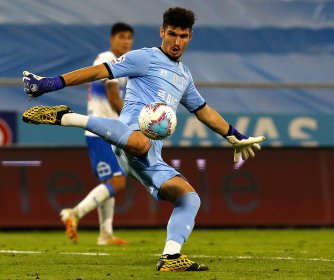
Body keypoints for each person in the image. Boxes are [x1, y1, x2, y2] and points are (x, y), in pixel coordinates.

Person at [22, 7, 265, 272]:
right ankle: (67, 118)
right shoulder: (145, 58)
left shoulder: (184, 75)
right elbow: (98, 72)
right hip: (128, 136)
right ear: (162, 32)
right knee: (141, 142)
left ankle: (171, 257)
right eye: (171, 34)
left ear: (190, 37)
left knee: (189, 198)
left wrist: (234, 135)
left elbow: (203, 110)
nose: (176, 41)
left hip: (150, 158)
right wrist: (52, 83)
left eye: (182, 36)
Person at [59, 23, 134, 245]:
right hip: (101, 132)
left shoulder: (125, 65)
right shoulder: (107, 58)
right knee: (118, 182)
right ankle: (74, 213)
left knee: (110, 181)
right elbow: (113, 97)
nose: (126, 41)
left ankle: (105, 234)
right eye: (122, 37)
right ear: (112, 39)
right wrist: (134, 124)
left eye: (130, 37)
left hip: (110, 131)